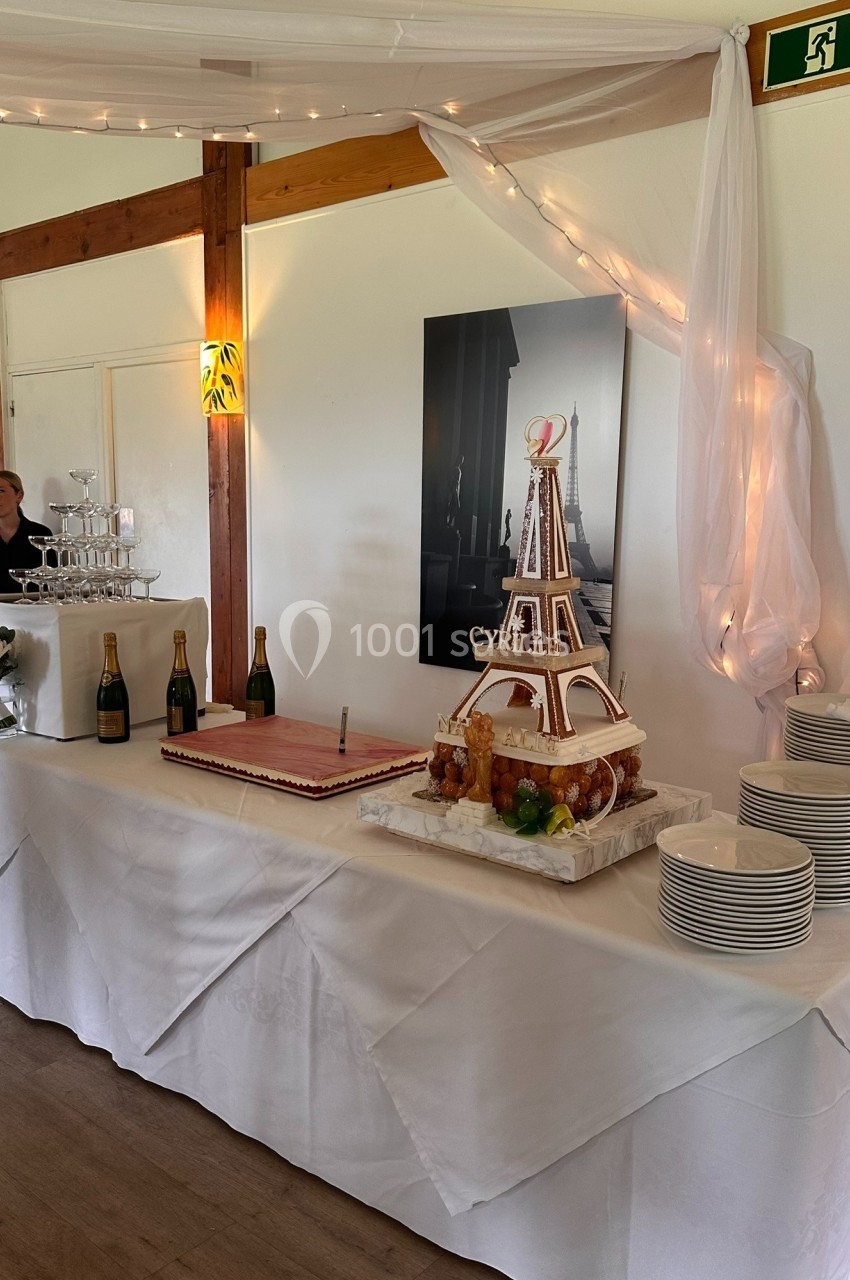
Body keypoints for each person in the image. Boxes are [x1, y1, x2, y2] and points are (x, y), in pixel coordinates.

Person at [0, 470, 55, 594]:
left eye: (1, 491)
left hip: (33, 608)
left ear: (19, 496)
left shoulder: (40, 534)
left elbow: (51, 581)